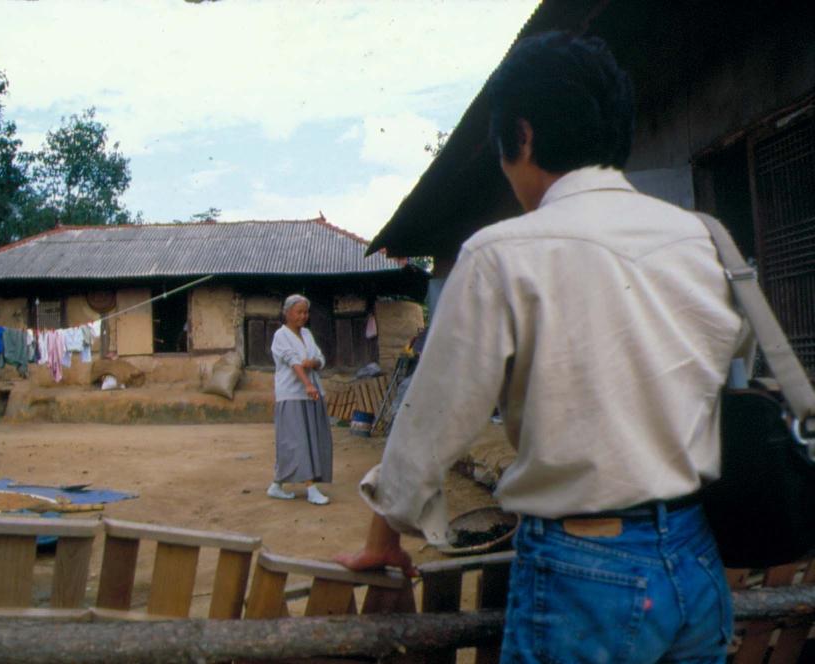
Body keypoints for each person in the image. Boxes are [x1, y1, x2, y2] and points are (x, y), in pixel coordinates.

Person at [337, 31, 752, 663]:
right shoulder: (705, 242)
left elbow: (432, 419)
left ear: (522, 136)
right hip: (696, 560)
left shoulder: (501, 253)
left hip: (588, 572)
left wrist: (385, 534)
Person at [267, 294, 333, 505]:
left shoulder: (307, 334)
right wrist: (307, 384)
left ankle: (276, 485)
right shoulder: (281, 336)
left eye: (306, 312)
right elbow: (293, 362)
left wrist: (313, 362)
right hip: (293, 395)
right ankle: (310, 488)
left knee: (311, 440)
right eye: (299, 312)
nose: (304, 316)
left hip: (312, 395)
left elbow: (320, 359)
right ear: (287, 313)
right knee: (298, 442)